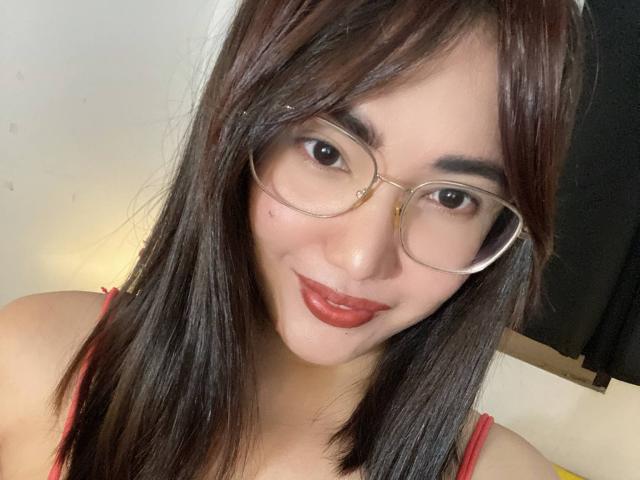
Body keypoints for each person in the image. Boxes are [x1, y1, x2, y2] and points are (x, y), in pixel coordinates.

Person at [0, 1, 584, 479]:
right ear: (241, 132)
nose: (360, 258)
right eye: (326, 153)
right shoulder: (33, 363)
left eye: (453, 198)